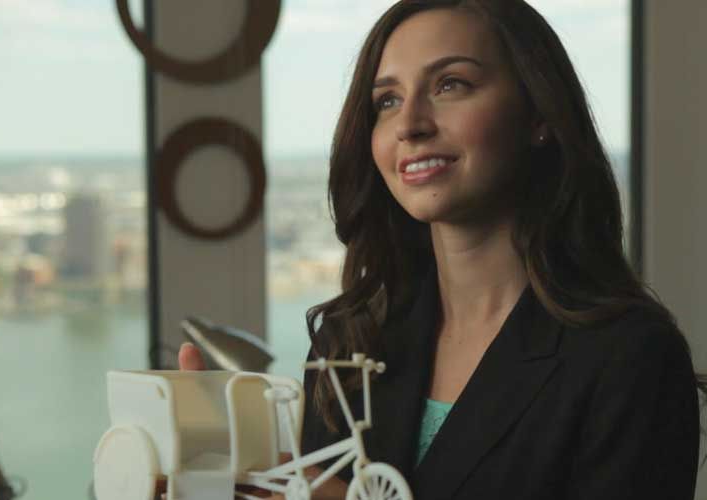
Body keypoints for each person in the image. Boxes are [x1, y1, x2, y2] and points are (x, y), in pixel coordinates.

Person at [179, 0, 705, 498]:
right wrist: (231, 465)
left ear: (539, 115)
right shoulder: (349, 340)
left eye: (451, 84)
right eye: (387, 100)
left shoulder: (629, 358)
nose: (410, 125)